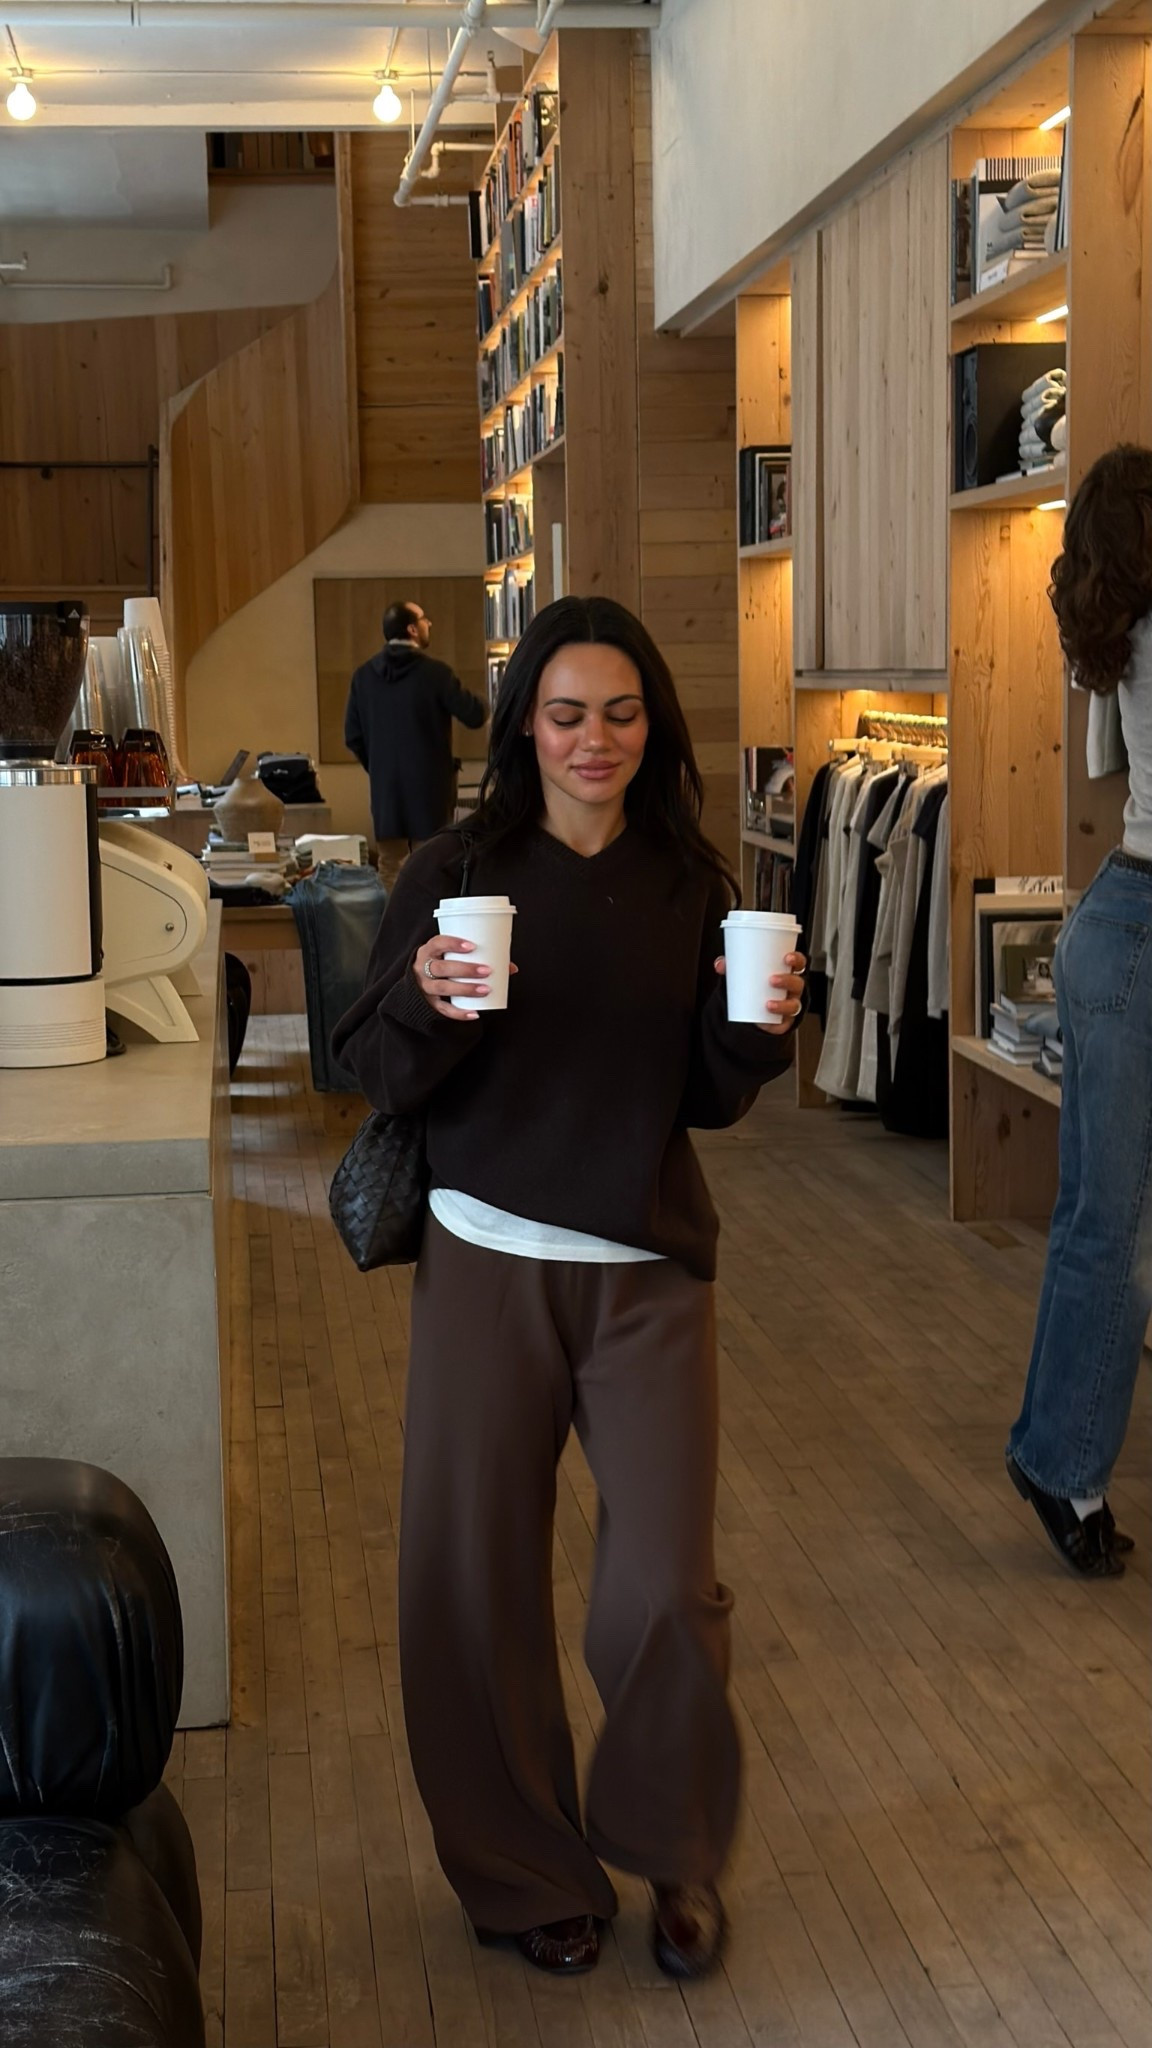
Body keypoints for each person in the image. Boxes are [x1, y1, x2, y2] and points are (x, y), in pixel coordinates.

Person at [333, 596, 806, 1981]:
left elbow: (708, 1101)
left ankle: (675, 1853)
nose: (592, 739)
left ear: (649, 728)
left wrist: (759, 1035)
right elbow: (373, 1060)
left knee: (662, 1587)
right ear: (524, 725)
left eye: (620, 713)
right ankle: (527, 1870)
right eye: (564, 712)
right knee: (470, 1581)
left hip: (647, 1271)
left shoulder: (691, 888)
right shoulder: (455, 872)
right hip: (485, 1260)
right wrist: (421, 990)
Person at [1007, 442, 1152, 1578]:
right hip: (1140, 932)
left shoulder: (1128, 638)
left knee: (1098, 1217)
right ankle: (1066, 1469)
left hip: (1121, 921)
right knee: (1113, 1222)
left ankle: (1059, 1458)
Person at [344, 599, 487, 891]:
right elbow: (473, 715)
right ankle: (429, 932)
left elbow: (353, 736)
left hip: (386, 791)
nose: (429, 624)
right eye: (424, 619)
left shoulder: (363, 676)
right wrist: (496, 695)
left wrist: (379, 768)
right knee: (433, 865)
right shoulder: (436, 674)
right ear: (412, 629)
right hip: (430, 791)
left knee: (389, 867)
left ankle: (395, 932)